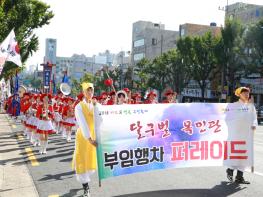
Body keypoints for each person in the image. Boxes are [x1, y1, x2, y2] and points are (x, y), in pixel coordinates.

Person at [226, 87, 257, 184]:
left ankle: (239, 177)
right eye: (244, 93)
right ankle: (230, 169)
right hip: (236, 134)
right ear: (239, 94)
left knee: (245, 155)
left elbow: (254, 118)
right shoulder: (233, 106)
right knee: (236, 154)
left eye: (248, 93)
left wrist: (254, 125)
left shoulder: (251, 106)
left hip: (247, 134)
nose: (247, 95)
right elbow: (227, 118)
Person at [72, 82, 97, 197]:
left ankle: (85, 180)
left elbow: (102, 119)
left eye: (91, 90)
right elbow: (82, 123)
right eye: (88, 90)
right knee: (81, 159)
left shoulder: (96, 104)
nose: (90, 92)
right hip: (83, 136)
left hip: (94, 135)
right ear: (83, 92)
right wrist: (89, 138)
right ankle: (86, 187)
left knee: (90, 159)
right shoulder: (78, 106)